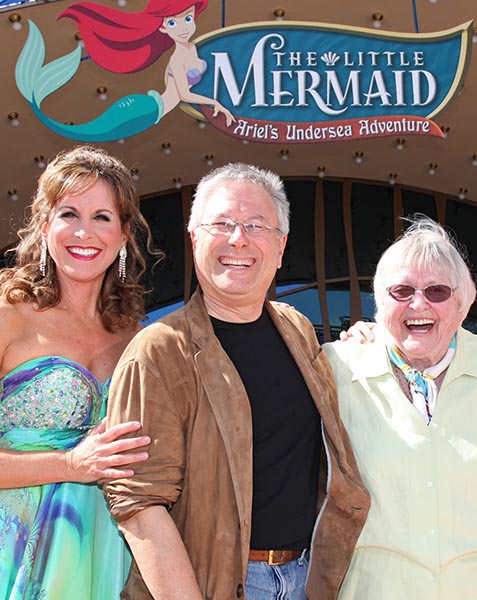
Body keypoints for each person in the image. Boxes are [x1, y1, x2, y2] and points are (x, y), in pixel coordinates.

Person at [102, 163, 369, 600]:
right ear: (195, 239)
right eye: (222, 223)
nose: (238, 238)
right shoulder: (160, 350)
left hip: (306, 578)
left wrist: (373, 339)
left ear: (280, 247)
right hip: (211, 584)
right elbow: (138, 504)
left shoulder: (297, 329)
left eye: (255, 226)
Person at [0, 145, 156, 599]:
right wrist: (70, 464)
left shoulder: (136, 337)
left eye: (102, 217)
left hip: (101, 549)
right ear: (45, 225)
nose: (84, 231)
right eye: (69, 213)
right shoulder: (2, 318)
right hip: (5, 547)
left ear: (124, 235)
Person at [324, 216, 477, 599]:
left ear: (462, 304)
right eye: (402, 291)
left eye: (437, 291)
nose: (419, 304)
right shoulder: (340, 366)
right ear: (382, 303)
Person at [16, 0, 233, 143]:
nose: (184, 27)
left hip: (148, 108)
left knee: (92, 131)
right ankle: (38, 102)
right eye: (173, 22)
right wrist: (215, 102)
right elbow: (184, 94)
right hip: (148, 110)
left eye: (188, 18)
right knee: (89, 131)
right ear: (163, 27)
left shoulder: (191, 47)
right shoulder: (177, 59)